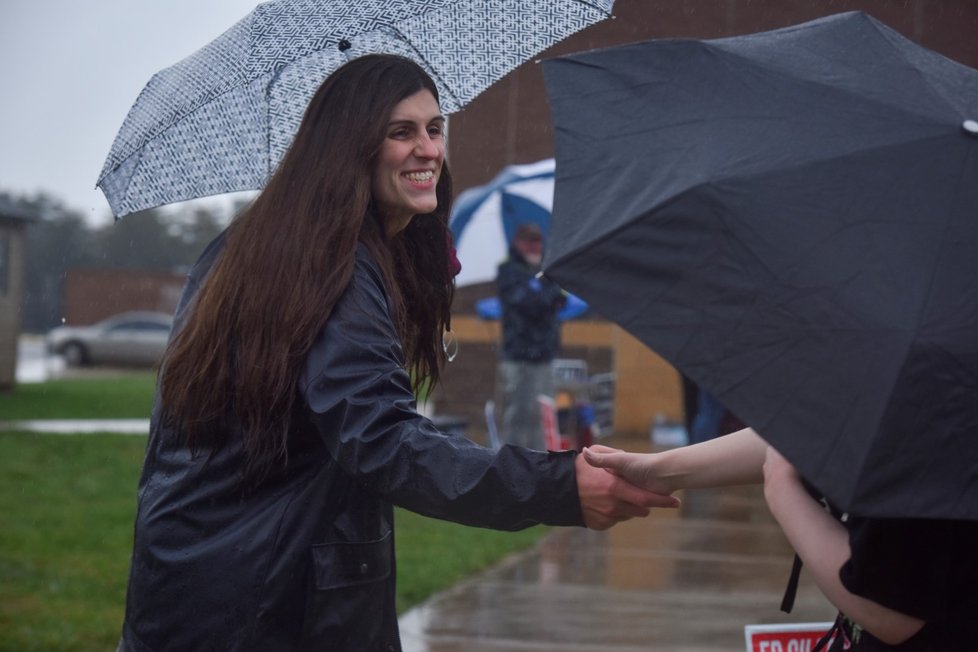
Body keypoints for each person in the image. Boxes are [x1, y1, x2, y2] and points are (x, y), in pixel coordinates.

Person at [116, 54, 679, 652]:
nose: (429, 150)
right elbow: (383, 440)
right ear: (349, 146)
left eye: (435, 129)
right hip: (265, 607)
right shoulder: (330, 268)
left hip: (196, 588)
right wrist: (555, 485)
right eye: (400, 132)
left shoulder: (256, 246)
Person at [583, 430, 978, 650]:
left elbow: (890, 612)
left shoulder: (930, 423)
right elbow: (816, 425)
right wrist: (661, 470)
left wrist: (781, 488)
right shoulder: (909, 382)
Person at [496, 222, 566, 449]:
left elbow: (558, 297)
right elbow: (531, 303)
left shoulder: (546, 271)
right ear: (518, 243)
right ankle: (511, 460)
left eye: (537, 241)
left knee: (542, 414)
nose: (535, 246)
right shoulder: (508, 270)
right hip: (518, 357)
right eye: (529, 241)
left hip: (544, 356)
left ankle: (539, 462)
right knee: (518, 414)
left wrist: (543, 289)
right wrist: (545, 292)